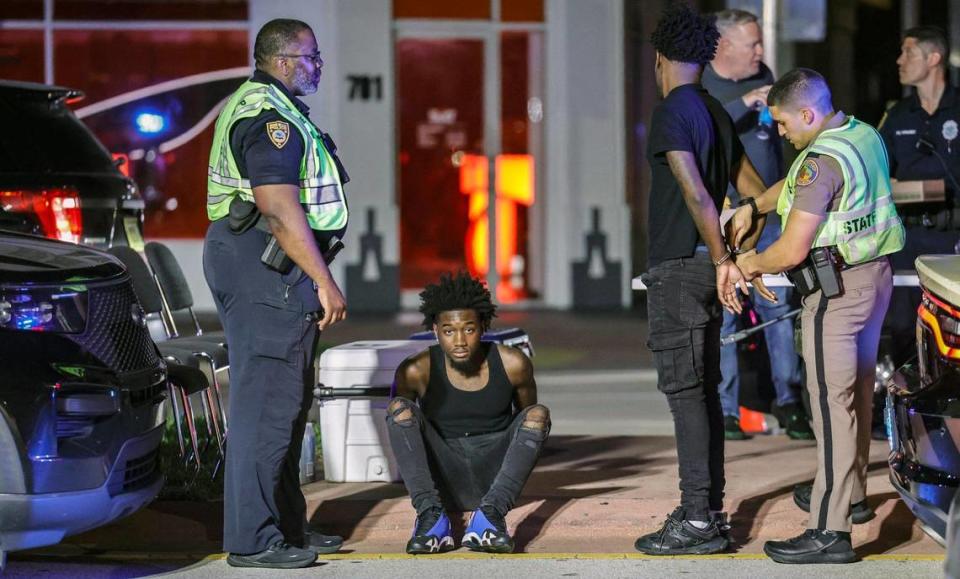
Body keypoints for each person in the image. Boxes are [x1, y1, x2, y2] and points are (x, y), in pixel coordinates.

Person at [730, 68, 905, 564]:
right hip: (874, 279)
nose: (780, 133)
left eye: (783, 124)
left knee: (831, 410)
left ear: (808, 113)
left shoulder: (820, 161)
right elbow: (799, 185)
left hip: (836, 293)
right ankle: (851, 496)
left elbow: (788, 251)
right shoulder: (859, 134)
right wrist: (755, 205)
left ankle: (829, 530)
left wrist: (748, 263)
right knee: (858, 400)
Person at [203, 18, 349, 569]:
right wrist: (323, 279)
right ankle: (254, 540)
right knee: (266, 406)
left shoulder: (268, 105)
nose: (317, 67)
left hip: (265, 263)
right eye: (312, 57)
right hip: (265, 264)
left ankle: (287, 526)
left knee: (286, 404)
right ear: (285, 60)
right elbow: (278, 206)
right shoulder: (268, 117)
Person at [633, 4, 772, 556]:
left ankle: (697, 519)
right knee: (705, 395)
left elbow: (694, 191)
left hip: (680, 269)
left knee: (686, 395)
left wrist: (722, 259)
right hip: (708, 267)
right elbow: (757, 190)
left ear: (660, 58)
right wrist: (743, 248)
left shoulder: (672, 111)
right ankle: (706, 512)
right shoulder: (714, 110)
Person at [702, 8, 810, 441]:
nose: (761, 52)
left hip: (768, 214)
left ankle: (790, 403)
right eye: (753, 44)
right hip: (726, 216)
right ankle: (726, 411)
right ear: (724, 45)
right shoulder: (702, 85)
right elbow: (702, 131)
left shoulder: (764, 73)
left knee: (778, 308)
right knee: (726, 312)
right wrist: (745, 104)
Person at [386, 272, 549, 554]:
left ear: (483, 326)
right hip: (442, 476)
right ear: (435, 330)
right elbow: (405, 435)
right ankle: (431, 518)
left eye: (469, 329)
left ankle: (489, 519)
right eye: (449, 331)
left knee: (538, 414)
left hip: (495, 478)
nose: (459, 340)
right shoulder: (415, 370)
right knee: (398, 409)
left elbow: (526, 424)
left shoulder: (513, 364)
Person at [878, 26, 960, 365]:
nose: (900, 60)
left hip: (952, 238)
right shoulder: (898, 115)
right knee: (902, 329)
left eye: (908, 52)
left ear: (934, 58)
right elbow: (877, 173)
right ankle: (908, 413)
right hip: (907, 240)